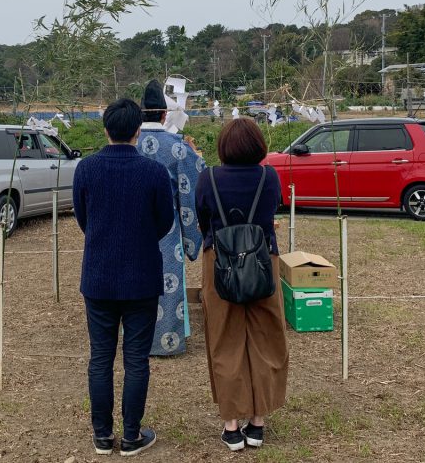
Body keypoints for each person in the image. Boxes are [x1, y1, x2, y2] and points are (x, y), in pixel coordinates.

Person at [73, 98, 175, 457]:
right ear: (137, 130)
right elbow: (165, 222)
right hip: (142, 277)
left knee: (100, 358)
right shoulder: (154, 172)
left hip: (98, 276)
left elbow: (84, 220)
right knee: (136, 360)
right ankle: (131, 436)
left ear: (106, 129)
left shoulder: (86, 169)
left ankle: (102, 436)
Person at [194, 117, 289, 451]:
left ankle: (232, 425)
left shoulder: (207, 178)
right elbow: (272, 209)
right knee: (267, 337)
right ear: (258, 145)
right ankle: (258, 423)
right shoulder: (269, 176)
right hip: (264, 260)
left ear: (223, 147)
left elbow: (202, 218)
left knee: (225, 339)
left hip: (220, 263)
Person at [137, 79, 206, 356]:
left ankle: (136, 341)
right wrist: (192, 237)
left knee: (136, 283)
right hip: (167, 227)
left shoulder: (128, 143)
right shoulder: (177, 147)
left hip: (132, 229)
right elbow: (195, 184)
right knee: (168, 283)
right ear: (164, 115)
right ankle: (167, 342)